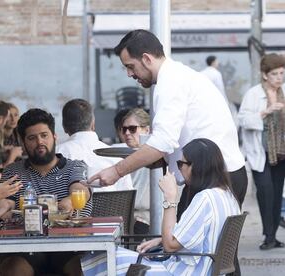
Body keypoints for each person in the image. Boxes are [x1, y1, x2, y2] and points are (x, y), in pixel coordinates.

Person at [89, 29, 247, 210]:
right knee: (176, 236)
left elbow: (163, 142)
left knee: (175, 238)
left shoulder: (171, 82)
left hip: (216, 179)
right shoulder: (176, 75)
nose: (129, 74)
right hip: (217, 176)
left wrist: (116, 171)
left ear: (147, 59)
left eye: (130, 66)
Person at [81, 138, 241, 276]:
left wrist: (170, 198)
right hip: (203, 269)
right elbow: (196, 238)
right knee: (112, 256)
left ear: (196, 167)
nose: (179, 168)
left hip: (182, 272)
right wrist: (160, 240)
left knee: (103, 257)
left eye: (181, 164)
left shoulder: (205, 198)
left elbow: (170, 245)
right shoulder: (227, 195)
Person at [0, 108, 92, 276]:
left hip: (70, 246)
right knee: (13, 268)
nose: (39, 142)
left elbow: (80, 189)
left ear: (54, 136)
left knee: (83, 267)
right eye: (32, 138)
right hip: (25, 247)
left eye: (44, 135)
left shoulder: (75, 166)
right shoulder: (13, 172)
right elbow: (7, 203)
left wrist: (70, 201)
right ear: (23, 142)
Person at [237, 53, 285, 250]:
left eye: (282, 73)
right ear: (265, 75)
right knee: (265, 193)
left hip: (281, 153)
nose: (279, 77)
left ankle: (272, 236)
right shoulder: (254, 94)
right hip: (261, 154)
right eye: (274, 74)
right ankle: (268, 235)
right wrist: (265, 112)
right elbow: (243, 120)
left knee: (276, 195)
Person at [56, 98, 133, 192]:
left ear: (64, 127)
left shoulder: (56, 155)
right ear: (93, 124)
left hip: (72, 206)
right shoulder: (116, 158)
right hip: (111, 206)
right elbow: (127, 198)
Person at [120, 108, 151, 234]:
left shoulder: (155, 157)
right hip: (127, 220)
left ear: (146, 130)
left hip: (146, 222)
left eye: (132, 129)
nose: (127, 133)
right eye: (124, 129)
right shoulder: (118, 155)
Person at [0, 102, 23, 167]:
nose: (13, 119)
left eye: (16, 115)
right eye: (9, 116)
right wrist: (13, 155)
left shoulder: (20, 132)